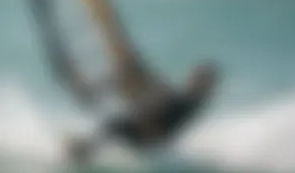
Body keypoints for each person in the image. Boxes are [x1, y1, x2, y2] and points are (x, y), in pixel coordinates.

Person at [67, 62, 220, 162]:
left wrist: (148, 125)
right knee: (115, 123)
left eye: (196, 77)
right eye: (193, 75)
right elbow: (167, 109)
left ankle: (83, 151)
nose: (190, 78)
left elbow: (162, 112)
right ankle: (85, 149)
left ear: (202, 83)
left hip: (150, 135)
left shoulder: (187, 101)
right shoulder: (194, 100)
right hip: (156, 137)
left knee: (115, 125)